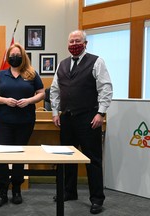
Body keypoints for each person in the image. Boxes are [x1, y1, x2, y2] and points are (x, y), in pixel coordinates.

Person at [50, 30, 113, 214]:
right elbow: (54, 90)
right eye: (71, 41)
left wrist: (101, 113)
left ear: (85, 43)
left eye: (78, 41)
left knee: (92, 159)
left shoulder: (96, 61)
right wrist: (55, 112)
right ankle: (69, 191)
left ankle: (96, 199)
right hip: (66, 119)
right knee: (66, 158)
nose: (74, 44)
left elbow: (105, 88)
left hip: (89, 117)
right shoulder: (62, 65)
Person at [0, 43, 45, 208]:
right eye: (12, 55)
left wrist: (28, 101)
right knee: (2, 156)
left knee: (20, 155)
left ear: (23, 56)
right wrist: (5, 100)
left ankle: (17, 190)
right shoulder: (1, 75)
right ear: (8, 57)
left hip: (25, 122)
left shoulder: (32, 74)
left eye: (18, 54)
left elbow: (41, 93)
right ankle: (2, 192)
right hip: (4, 121)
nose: (15, 57)